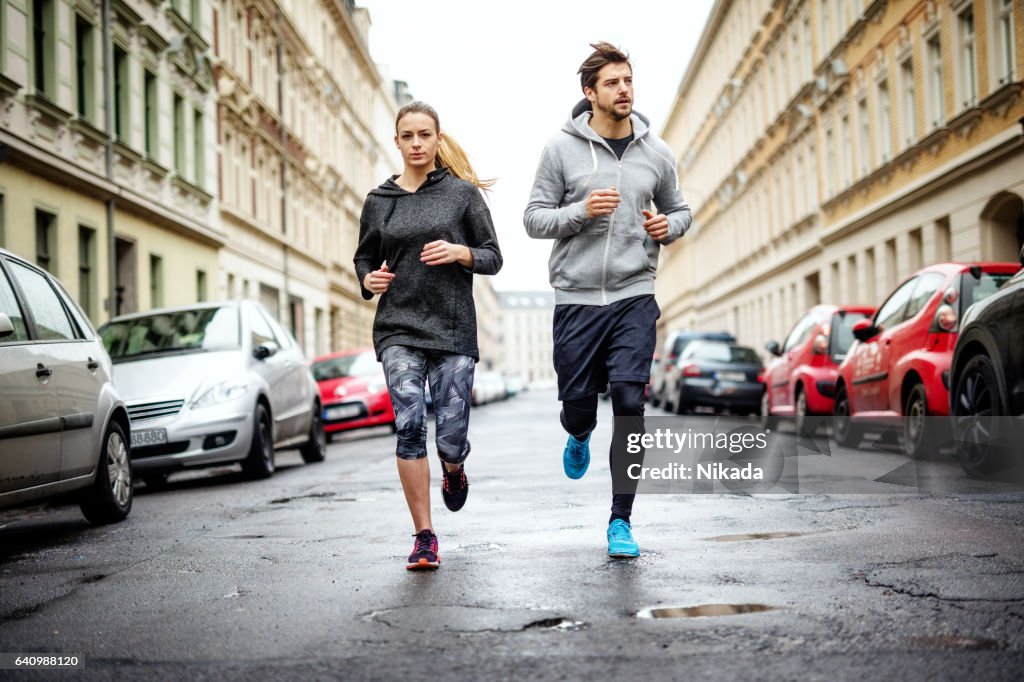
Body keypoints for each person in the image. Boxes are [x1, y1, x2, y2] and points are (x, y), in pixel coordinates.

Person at [524, 42, 692, 558]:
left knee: (629, 401)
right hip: (575, 299)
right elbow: (533, 218)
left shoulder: (656, 153)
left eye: (628, 81)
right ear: (589, 92)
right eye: (613, 83)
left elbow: (682, 210)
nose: (624, 90)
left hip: (633, 294)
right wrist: (578, 212)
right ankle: (577, 434)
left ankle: (621, 520)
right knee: (579, 409)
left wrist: (668, 227)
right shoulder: (560, 149)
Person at [354, 101, 502, 571]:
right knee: (410, 422)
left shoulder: (461, 196)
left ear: (438, 139)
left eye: (425, 135)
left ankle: (454, 471)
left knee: (451, 435)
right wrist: (367, 281)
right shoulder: (380, 201)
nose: (416, 143)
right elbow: (364, 258)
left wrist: (461, 251)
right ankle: (424, 535)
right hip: (398, 326)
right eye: (408, 136)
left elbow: (493, 256)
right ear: (396, 141)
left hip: (453, 326)